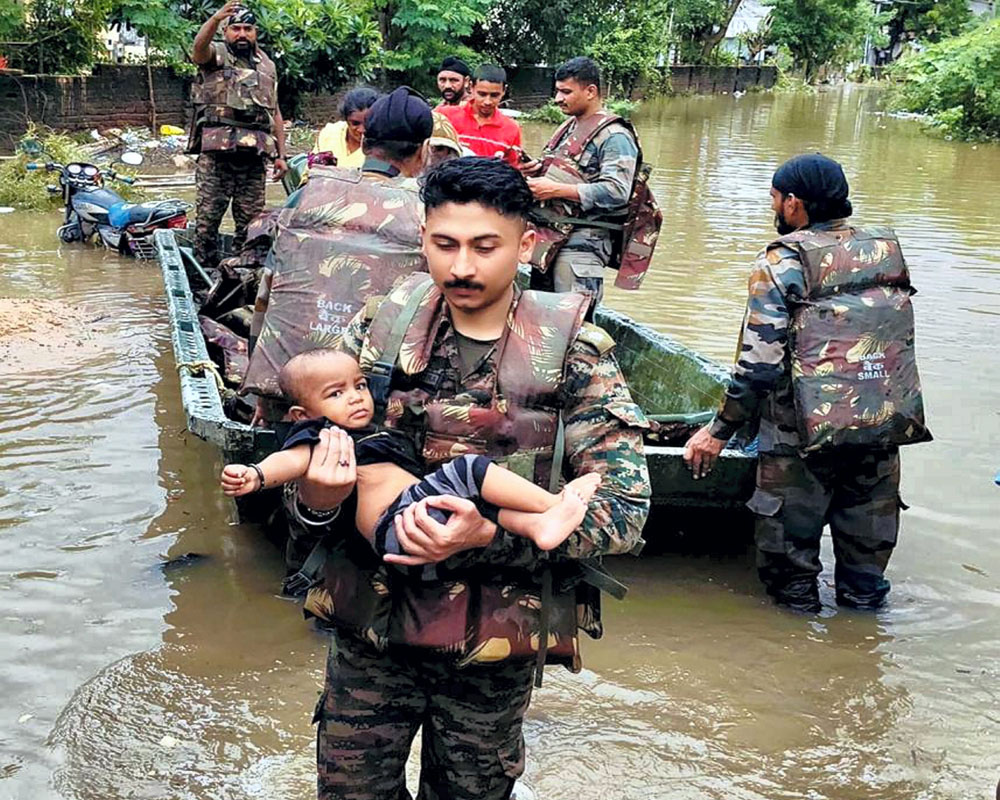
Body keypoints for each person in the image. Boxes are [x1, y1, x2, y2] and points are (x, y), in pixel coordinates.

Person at [291, 157, 650, 799]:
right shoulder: (377, 330)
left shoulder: (574, 350)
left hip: (492, 645)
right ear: (422, 236)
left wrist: (488, 536)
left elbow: (622, 514)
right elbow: (307, 459)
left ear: (527, 243)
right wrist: (316, 502)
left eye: (485, 247)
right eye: (444, 244)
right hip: (373, 626)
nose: (461, 267)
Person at [683, 153, 931, 614]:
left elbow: (760, 365)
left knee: (791, 581)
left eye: (775, 199)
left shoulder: (782, 259)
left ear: (794, 203)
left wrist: (718, 431)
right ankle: (861, 651)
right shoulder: (883, 248)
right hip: (878, 424)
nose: (774, 208)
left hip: (799, 437)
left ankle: (798, 660)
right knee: (866, 581)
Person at [243, 85, 435, 578]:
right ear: (422, 150)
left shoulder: (308, 190)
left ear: (363, 137)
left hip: (284, 385)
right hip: (370, 398)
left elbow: (267, 295)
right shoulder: (427, 212)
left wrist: (261, 381)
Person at [222, 348, 602, 564]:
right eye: (336, 394)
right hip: (397, 523)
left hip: (413, 517)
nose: (356, 397)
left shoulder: (368, 431)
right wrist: (255, 475)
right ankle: (554, 505)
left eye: (359, 386)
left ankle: (537, 526)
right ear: (302, 415)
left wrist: (487, 535)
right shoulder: (321, 436)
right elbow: (290, 461)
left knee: (475, 502)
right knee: (469, 469)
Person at [518, 56, 640, 310]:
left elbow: (618, 191)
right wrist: (538, 169)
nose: (558, 99)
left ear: (590, 91)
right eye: (557, 91)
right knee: (542, 318)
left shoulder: (615, 136)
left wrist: (554, 189)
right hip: (550, 240)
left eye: (565, 92)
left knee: (575, 325)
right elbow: (571, 170)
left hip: (583, 243)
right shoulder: (567, 127)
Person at [188, 1, 288, 271]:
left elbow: (275, 111)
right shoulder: (215, 55)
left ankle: (243, 277)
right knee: (207, 222)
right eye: (235, 29)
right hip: (217, 158)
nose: (242, 34)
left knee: (252, 225)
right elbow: (198, 49)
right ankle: (201, 278)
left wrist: (281, 156)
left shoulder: (266, 65)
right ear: (225, 32)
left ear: (255, 32)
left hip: (253, 159)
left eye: (248, 29)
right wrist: (215, 18)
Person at [438, 64, 523, 166]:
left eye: (494, 95)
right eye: (482, 94)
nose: (487, 101)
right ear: (471, 87)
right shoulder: (444, 116)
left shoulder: (512, 128)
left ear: (504, 91)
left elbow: (513, 169)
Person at [312, 87, 380, 170]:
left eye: (368, 123)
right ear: (346, 119)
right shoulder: (329, 133)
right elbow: (312, 170)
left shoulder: (384, 145)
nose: (362, 130)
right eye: (355, 123)